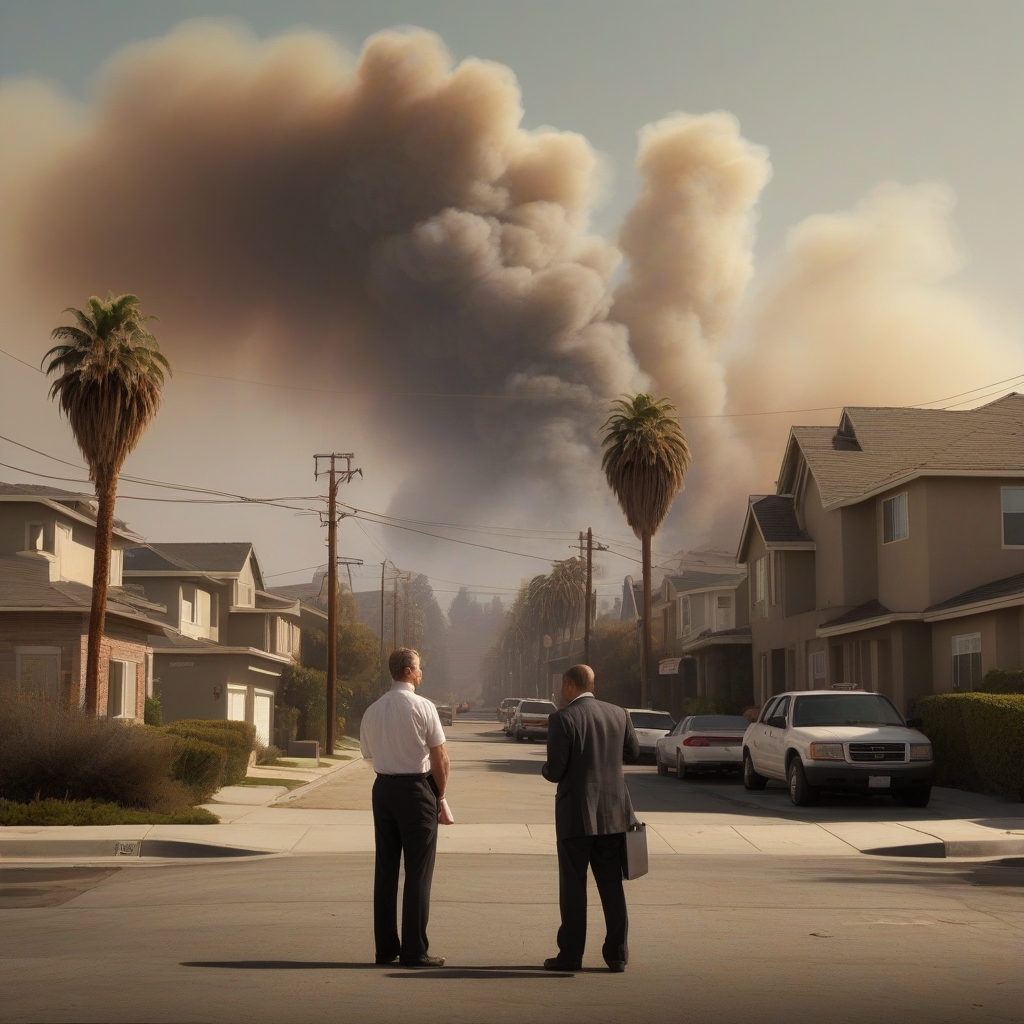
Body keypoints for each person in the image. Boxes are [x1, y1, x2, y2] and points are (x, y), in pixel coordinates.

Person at [541, 663, 640, 973]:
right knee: (611, 885)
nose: (560, 692)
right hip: (612, 815)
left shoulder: (562, 719)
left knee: (573, 887)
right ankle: (617, 954)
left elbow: (555, 770)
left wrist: (545, 770)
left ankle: (570, 955)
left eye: (562, 686)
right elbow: (634, 753)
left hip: (575, 817)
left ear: (571, 685)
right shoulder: (619, 714)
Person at [359, 647, 454, 968]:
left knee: (386, 869)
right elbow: (440, 757)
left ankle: (386, 948)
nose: (422, 672)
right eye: (419, 667)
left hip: (383, 788)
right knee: (417, 872)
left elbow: (368, 754)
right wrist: (440, 796)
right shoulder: (424, 707)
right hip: (416, 789)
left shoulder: (373, 710)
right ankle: (415, 950)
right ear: (409, 672)